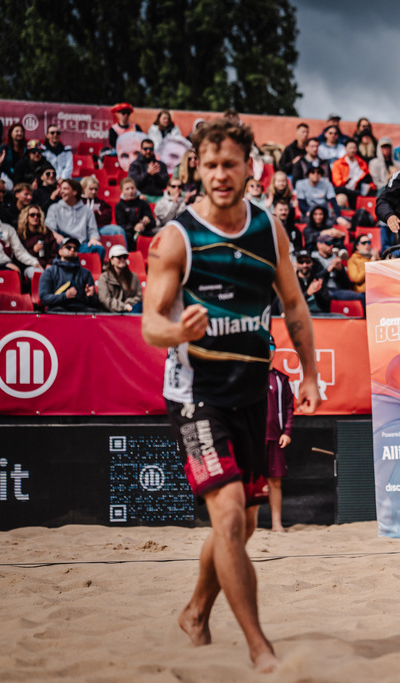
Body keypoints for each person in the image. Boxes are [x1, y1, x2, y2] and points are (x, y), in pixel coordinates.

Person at [140, 117, 321, 673]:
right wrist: (178, 330)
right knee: (228, 516)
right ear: (197, 167)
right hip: (196, 395)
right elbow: (150, 324)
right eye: (211, 165)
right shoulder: (177, 237)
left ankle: (196, 612)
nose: (220, 174)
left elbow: (294, 305)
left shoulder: (269, 230)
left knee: (242, 525)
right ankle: (260, 649)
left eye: (230, 165)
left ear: (249, 169)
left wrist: (310, 375)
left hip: (250, 392)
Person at [265, 338, 295, 532]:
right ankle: (245, 524)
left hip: (275, 437)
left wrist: (287, 431)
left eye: (270, 347)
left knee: (275, 482)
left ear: (274, 350)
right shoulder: (246, 378)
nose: (267, 350)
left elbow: (289, 408)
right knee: (248, 483)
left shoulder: (281, 379)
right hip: (252, 437)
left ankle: (277, 524)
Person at [0, 198, 42, 285]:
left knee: (16, 272)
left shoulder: (8, 228)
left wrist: (34, 262)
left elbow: (19, 251)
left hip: (4, 264)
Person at [38, 238, 99, 311]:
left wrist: (90, 296)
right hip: (58, 310)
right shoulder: (49, 272)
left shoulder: (86, 273)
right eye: (68, 247)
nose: (72, 250)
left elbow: (95, 302)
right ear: (60, 252)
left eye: (75, 249)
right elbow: (44, 298)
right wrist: (65, 296)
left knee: (94, 311)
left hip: (81, 310)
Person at [98, 244, 143, 313]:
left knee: (141, 306)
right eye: (119, 257)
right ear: (111, 260)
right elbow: (104, 299)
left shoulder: (133, 276)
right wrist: (123, 306)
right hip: (111, 312)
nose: (122, 259)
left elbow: (139, 296)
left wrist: (128, 302)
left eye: (124, 257)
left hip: (131, 309)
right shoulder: (104, 277)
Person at [115, 177, 156, 250]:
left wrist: (147, 221)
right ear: (122, 191)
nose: (130, 191)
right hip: (128, 234)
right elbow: (121, 225)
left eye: (132, 188)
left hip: (144, 232)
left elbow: (153, 223)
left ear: (136, 189)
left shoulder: (143, 203)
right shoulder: (119, 206)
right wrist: (134, 228)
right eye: (127, 189)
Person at [331, 139, 373, 207]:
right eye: (350, 148)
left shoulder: (362, 163)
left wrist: (370, 186)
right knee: (341, 199)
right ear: (345, 148)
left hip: (358, 190)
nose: (352, 150)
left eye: (354, 148)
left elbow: (368, 179)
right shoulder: (338, 164)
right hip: (344, 190)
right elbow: (337, 182)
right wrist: (346, 180)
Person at [17, 204, 58, 269]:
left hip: (48, 265)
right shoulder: (21, 234)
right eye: (32, 215)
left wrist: (50, 263)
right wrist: (33, 251)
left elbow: (54, 251)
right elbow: (20, 256)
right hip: (31, 266)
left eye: (38, 215)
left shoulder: (46, 232)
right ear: (26, 217)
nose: (35, 217)